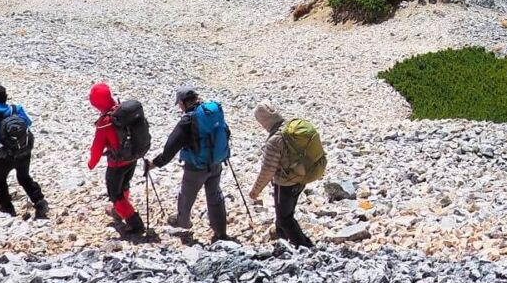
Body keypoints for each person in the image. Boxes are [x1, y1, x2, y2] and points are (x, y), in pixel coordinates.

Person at [145, 88, 231, 243]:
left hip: (196, 166)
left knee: (186, 195)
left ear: (183, 102)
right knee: (215, 196)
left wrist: (154, 164)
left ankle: (183, 223)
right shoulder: (211, 112)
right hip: (216, 162)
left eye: (179, 104)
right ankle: (221, 232)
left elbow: (170, 148)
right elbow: (226, 132)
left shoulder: (188, 120)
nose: (179, 107)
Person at [248, 102, 327, 248]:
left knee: (285, 218)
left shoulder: (274, 141)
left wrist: (255, 190)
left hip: (285, 184)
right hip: (302, 177)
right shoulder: (291, 127)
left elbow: (267, 171)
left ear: (263, 122)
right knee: (285, 211)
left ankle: (304, 247)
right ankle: (281, 239)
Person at [0, 85, 48, 219]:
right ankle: (40, 202)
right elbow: (27, 123)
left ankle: (7, 208)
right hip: (23, 150)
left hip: (4, 155)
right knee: (24, 178)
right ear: (6, 98)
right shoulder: (16, 110)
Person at [87, 82, 148, 238]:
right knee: (125, 185)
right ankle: (119, 210)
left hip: (117, 164)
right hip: (132, 158)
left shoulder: (106, 121)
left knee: (115, 194)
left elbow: (97, 146)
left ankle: (135, 223)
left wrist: (91, 163)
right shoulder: (121, 110)